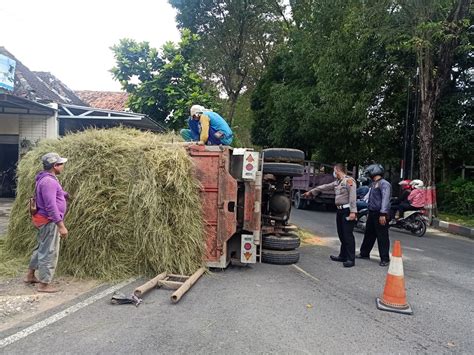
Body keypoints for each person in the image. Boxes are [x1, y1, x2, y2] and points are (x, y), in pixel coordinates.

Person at [24, 153, 69, 293]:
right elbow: (51, 206)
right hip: (48, 221)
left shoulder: (46, 178)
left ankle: (30, 275)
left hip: (42, 219)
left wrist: (64, 194)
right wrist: (61, 225)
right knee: (49, 251)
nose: (63, 166)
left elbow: (52, 194)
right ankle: (44, 284)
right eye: (61, 164)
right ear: (55, 166)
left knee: (41, 248)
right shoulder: (49, 182)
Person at [303, 163, 357, 268]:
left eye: (334, 171)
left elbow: (352, 197)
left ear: (338, 170)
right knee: (341, 234)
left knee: (348, 235)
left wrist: (353, 212)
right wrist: (311, 192)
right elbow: (324, 187)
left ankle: (351, 259)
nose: (334, 173)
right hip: (340, 211)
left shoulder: (349, 181)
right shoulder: (337, 182)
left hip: (347, 210)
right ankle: (343, 255)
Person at [357, 164, 392, 266]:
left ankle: (385, 258)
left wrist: (383, 214)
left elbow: (385, 199)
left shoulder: (384, 184)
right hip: (372, 212)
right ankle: (364, 253)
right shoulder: (373, 184)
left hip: (380, 213)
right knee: (369, 234)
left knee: (382, 236)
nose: (368, 176)